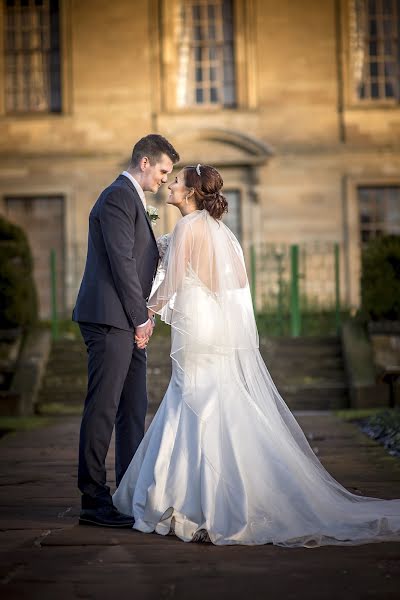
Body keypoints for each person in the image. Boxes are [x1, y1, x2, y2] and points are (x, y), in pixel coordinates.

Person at [113, 164, 400, 546]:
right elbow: (236, 284)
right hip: (215, 326)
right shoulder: (221, 233)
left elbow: (175, 284)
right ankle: (216, 496)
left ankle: (193, 501)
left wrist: (144, 314)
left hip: (198, 332)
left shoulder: (187, 227)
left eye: (177, 181)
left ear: (192, 192)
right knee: (214, 401)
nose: (169, 185)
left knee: (193, 400)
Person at [73, 134, 179, 528]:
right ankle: (93, 498)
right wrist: (142, 318)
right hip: (109, 319)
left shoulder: (134, 200)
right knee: (103, 408)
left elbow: (138, 260)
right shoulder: (118, 196)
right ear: (145, 162)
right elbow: (121, 262)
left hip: (127, 319)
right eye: (164, 171)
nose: (166, 181)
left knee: (134, 407)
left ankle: (129, 490)